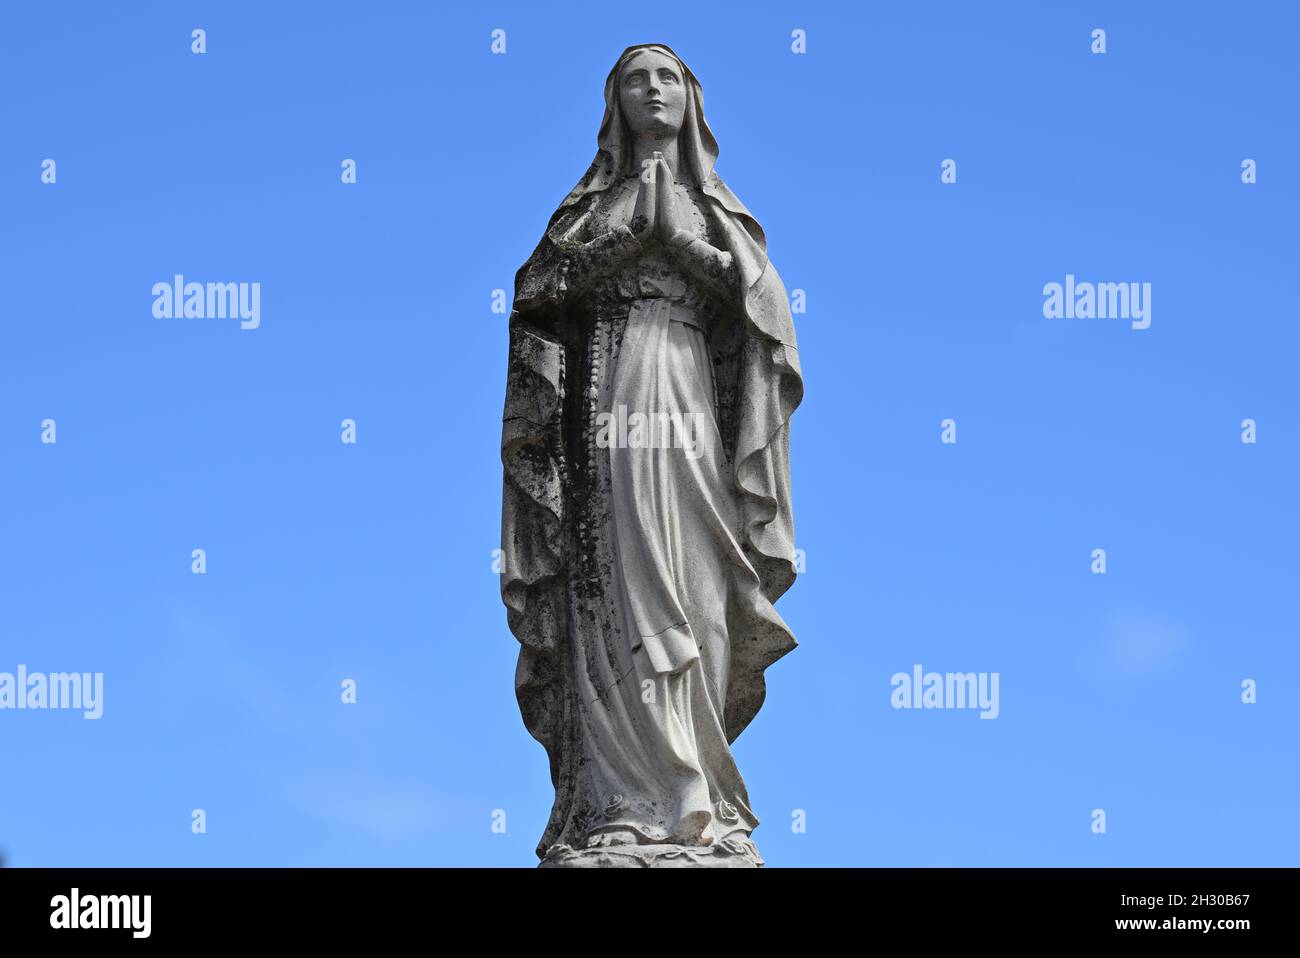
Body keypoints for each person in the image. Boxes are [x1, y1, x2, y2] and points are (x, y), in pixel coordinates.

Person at [500, 43, 803, 867]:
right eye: (637, 78)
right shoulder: (588, 209)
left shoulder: (717, 209)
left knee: (698, 580)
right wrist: (631, 240)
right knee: (615, 576)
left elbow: (764, 308)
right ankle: (619, 802)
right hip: (608, 401)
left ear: (690, 99)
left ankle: (696, 791)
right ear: (615, 103)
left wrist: (685, 245)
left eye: (667, 77)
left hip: (689, 394)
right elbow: (536, 295)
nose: (653, 89)